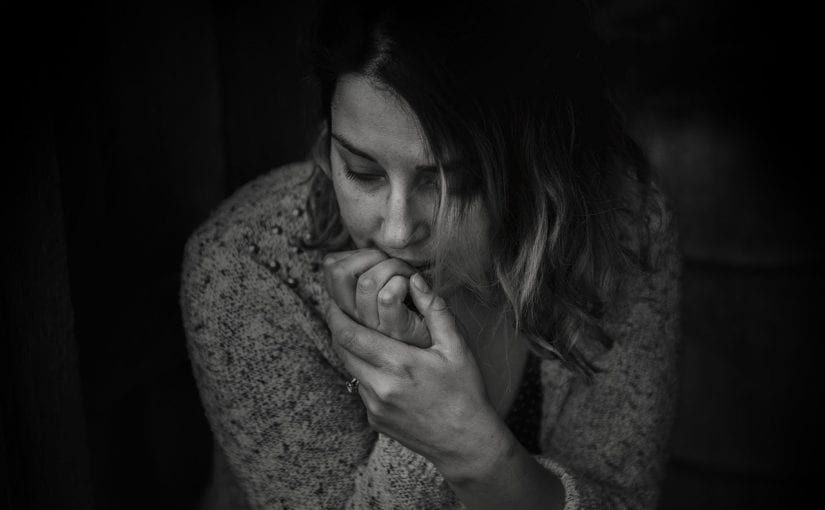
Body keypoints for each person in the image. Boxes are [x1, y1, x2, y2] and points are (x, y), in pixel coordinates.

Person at [179, 1, 680, 508]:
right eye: (363, 172)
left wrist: (471, 452)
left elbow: (625, 500)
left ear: (537, 168)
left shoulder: (617, 230)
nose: (397, 231)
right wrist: (414, 424)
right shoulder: (247, 267)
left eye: (453, 183)